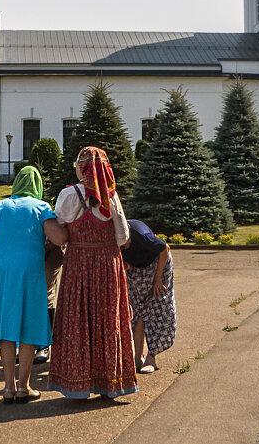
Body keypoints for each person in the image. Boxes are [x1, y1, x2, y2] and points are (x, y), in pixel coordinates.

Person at [48, 147, 137, 400]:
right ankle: (110, 382)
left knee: (78, 320)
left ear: (81, 167)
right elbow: (122, 237)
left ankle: (77, 384)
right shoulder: (112, 197)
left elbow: (60, 229)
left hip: (78, 264)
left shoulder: (69, 195)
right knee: (107, 321)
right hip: (108, 265)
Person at [0, 165, 67, 404]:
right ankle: (24, 387)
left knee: (6, 325)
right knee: (28, 326)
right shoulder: (40, 207)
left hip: (1, 272)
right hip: (29, 271)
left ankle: (8, 388)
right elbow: (59, 238)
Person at [121, 219, 176, 374]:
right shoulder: (113, 235)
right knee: (137, 308)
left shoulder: (141, 235)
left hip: (158, 265)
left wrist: (157, 278)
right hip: (137, 268)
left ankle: (151, 358)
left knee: (157, 308)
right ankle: (137, 357)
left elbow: (164, 249)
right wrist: (127, 263)